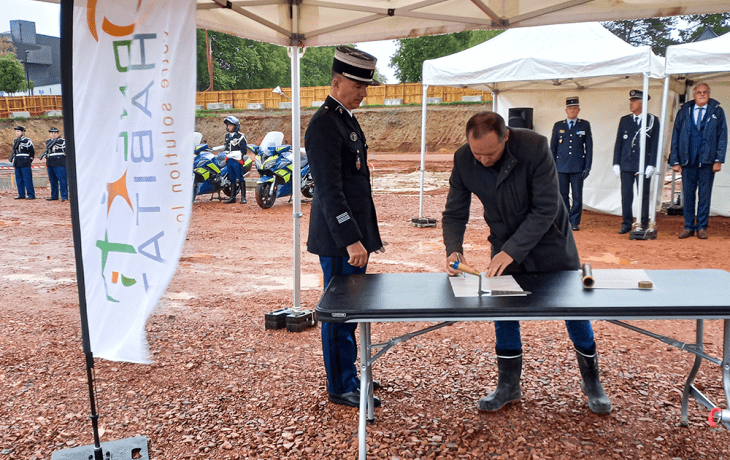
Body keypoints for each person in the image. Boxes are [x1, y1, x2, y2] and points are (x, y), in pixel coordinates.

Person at [442, 111, 611, 415]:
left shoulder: (535, 147)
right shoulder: (465, 158)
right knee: (503, 310)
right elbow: (455, 212)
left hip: (551, 243)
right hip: (505, 242)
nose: (482, 160)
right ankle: (508, 386)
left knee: (574, 308)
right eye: (477, 153)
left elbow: (546, 208)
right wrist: (453, 248)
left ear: (506, 136)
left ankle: (592, 382)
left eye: (490, 153)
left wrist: (511, 252)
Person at [306, 45, 384, 408]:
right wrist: (352, 239)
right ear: (337, 82)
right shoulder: (324, 124)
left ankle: (352, 373)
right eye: (359, 86)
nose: (364, 93)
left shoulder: (345, 119)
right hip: (340, 241)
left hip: (352, 238)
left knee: (352, 311)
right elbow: (330, 190)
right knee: (339, 315)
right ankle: (340, 385)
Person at [669, 83, 727, 240]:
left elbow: (722, 137)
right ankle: (688, 226)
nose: (702, 95)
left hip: (707, 162)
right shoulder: (684, 112)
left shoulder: (717, 111)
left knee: (704, 196)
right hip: (688, 161)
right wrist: (674, 160)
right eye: (699, 92)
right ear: (693, 94)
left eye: (705, 92)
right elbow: (675, 136)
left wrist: (718, 160)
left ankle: (701, 227)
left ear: (709, 94)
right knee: (687, 196)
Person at [612, 90, 660, 234]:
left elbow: (655, 143)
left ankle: (643, 222)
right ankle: (626, 223)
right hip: (626, 163)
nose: (631, 103)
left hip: (643, 164)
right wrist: (616, 162)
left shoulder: (652, 120)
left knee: (643, 195)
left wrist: (652, 164)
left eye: (634, 101)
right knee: (626, 195)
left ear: (642, 103)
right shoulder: (625, 120)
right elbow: (619, 142)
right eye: (631, 100)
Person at [550, 96, 593, 231]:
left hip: (577, 167)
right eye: (570, 108)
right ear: (566, 110)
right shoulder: (558, 125)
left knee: (577, 196)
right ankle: (564, 219)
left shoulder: (584, 125)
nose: (572, 110)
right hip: (561, 167)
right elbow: (553, 148)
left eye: (574, 108)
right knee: (562, 196)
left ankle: (575, 221)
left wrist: (587, 167)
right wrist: (552, 167)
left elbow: (589, 147)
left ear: (578, 110)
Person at [222, 115, 249, 204]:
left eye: (231, 125)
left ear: (236, 126)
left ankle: (243, 197)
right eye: (228, 125)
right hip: (229, 160)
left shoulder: (241, 136)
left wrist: (235, 155)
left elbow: (244, 150)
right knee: (232, 178)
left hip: (237, 160)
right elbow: (226, 148)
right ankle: (232, 197)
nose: (229, 127)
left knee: (240, 178)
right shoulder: (227, 136)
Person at [40, 127, 68, 202]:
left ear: (58, 134)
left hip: (59, 162)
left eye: (55, 133)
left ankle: (64, 196)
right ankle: (54, 195)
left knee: (62, 180)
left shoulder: (62, 141)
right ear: (49, 134)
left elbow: (65, 151)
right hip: (50, 162)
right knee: (52, 180)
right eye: (51, 133)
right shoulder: (48, 141)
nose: (53, 134)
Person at [10, 126, 36, 200]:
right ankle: (21, 194)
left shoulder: (27, 140)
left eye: (18, 131)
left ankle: (31, 194)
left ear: (22, 132)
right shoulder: (15, 141)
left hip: (25, 160)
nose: (16, 133)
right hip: (17, 161)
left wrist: (30, 160)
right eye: (16, 131)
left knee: (27, 178)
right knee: (19, 179)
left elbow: (32, 151)